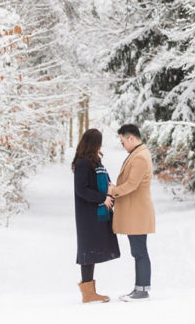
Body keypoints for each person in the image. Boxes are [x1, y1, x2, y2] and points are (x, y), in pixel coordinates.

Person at [108, 123, 157, 301]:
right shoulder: (137, 154)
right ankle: (139, 287)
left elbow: (132, 184)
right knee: (138, 251)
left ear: (131, 138)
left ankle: (142, 289)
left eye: (122, 142)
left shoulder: (140, 157)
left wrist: (114, 190)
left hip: (138, 212)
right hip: (136, 212)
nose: (123, 146)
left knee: (139, 251)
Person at [71, 128, 120, 303]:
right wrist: (103, 197)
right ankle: (88, 292)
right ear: (93, 144)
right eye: (99, 142)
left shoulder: (94, 161)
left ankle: (89, 292)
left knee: (90, 250)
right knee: (87, 250)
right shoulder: (83, 163)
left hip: (96, 212)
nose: (102, 145)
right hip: (88, 214)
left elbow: (100, 181)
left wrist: (110, 188)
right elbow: (81, 190)